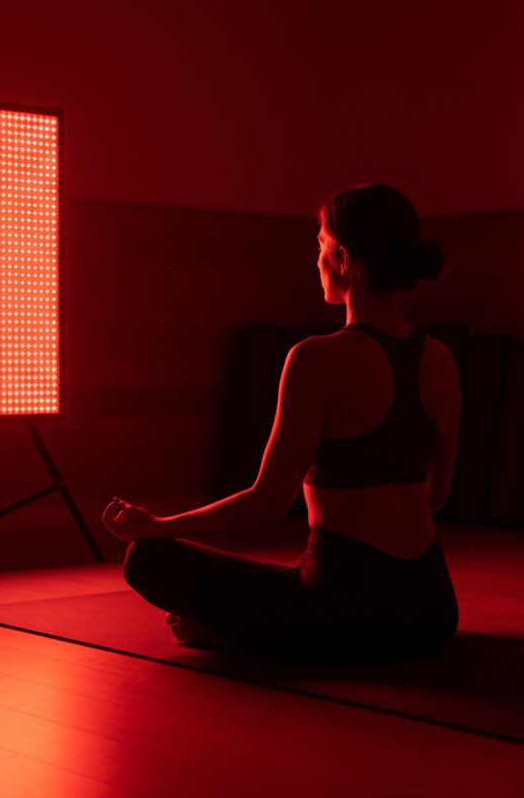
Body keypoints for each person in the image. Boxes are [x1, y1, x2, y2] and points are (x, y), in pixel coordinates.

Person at [101, 183, 461, 663]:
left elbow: (266, 505)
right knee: (298, 585)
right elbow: (435, 497)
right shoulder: (441, 358)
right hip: (433, 609)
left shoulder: (316, 358)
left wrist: (158, 526)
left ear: (343, 257)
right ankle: (277, 627)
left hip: (346, 608)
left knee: (148, 558)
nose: (316, 261)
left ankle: (253, 633)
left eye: (319, 247)